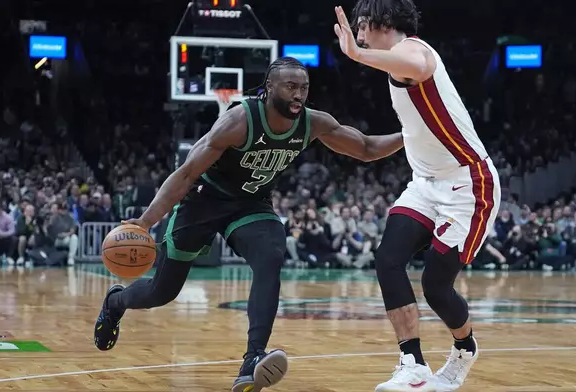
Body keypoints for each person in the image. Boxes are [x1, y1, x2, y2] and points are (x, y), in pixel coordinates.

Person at [93, 56, 404, 392]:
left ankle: (253, 357)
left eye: (304, 88)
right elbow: (186, 173)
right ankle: (115, 303)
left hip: (251, 205)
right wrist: (146, 220)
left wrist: (410, 136)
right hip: (203, 201)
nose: (299, 94)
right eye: (291, 86)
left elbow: (367, 148)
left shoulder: (314, 123)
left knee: (271, 256)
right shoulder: (239, 121)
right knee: (161, 291)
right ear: (270, 87)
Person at [333, 2, 501, 391]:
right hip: (426, 182)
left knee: (435, 287)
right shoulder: (396, 61)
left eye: (362, 24)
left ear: (385, 22)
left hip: (469, 183)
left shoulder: (413, 51)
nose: (358, 33)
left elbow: (420, 67)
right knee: (388, 259)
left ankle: (464, 348)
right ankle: (413, 363)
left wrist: (358, 56)